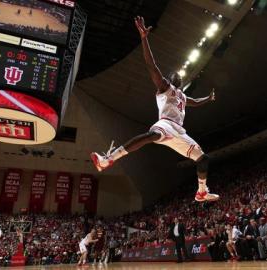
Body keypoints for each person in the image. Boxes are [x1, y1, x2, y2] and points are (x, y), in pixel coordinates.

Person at [90, 16, 219, 202]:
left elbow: (195, 102)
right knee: (151, 135)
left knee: (203, 159)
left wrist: (208, 98)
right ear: (169, 78)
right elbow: (151, 65)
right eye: (175, 75)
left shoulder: (182, 96)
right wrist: (144, 39)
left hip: (179, 132)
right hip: (166, 124)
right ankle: (108, 159)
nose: (179, 76)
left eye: (180, 76)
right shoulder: (165, 87)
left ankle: (201, 192)